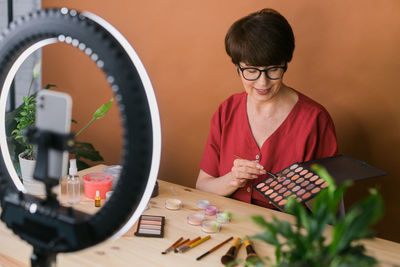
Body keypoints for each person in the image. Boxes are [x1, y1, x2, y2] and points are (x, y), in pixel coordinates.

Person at [196, 8, 338, 209]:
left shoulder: (315, 120)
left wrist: (300, 191)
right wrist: (232, 179)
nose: (262, 83)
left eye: (272, 70)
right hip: (228, 227)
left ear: (285, 64)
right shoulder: (226, 111)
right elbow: (202, 186)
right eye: (251, 71)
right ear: (237, 67)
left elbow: (328, 210)